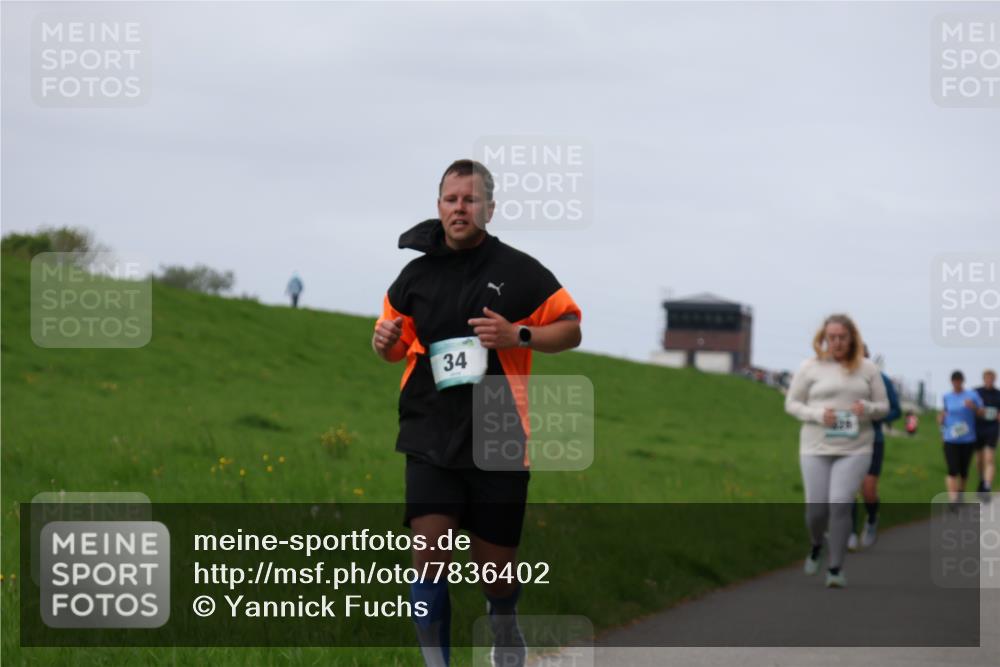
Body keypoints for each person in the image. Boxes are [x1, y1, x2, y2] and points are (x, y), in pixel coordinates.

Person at [372, 159, 582, 667]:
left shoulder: (521, 272)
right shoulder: (414, 274)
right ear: (439, 206)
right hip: (430, 428)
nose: (459, 208)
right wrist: (383, 342)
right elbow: (393, 344)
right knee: (428, 555)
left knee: (497, 571)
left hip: (497, 427)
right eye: (451, 199)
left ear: (489, 207)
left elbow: (572, 328)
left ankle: (504, 625)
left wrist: (519, 335)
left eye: (470, 199)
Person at [785, 314, 889, 588]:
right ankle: (817, 544)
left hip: (855, 447)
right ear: (824, 338)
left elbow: (884, 407)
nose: (837, 342)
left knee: (840, 503)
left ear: (852, 338)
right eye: (832, 337)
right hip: (815, 446)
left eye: (842, 337)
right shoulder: (810, 367)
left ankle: (835, 568)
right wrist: (818, 414)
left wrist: (866, 409)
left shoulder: (867, 369)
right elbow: (792, 404)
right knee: (816, 510)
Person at [847, 347, 902, 551]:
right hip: (848, 439)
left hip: (873, 439)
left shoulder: (881, 380)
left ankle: (871, 519)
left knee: (868, 488)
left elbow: (896, 410)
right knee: (849, 487)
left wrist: (877, 416)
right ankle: (850, 532)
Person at [938, 370, 984, 509]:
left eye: (959, 381)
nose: (957, 383)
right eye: (954, 381)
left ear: (962, 381)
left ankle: (961, 493)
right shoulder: (946, 396)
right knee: (952, 469)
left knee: (963, 470)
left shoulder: (972, 395)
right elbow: (944, 412)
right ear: (952, 382)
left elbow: (982, 412)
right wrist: (941, 419)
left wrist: (974, 407)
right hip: (950, 438)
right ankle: (953, 500)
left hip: (968, 438)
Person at [974, 369, 999, 500]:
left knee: (989, 458)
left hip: (992, 429)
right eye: (987, 378)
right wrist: (977, 411)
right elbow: (970, 408)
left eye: (992, 378)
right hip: (978, 428)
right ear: (984, 379)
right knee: (979, 460)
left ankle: (987, 487)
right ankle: (982, 480)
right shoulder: (976, 392)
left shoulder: (998, 395)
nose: (989, 380)